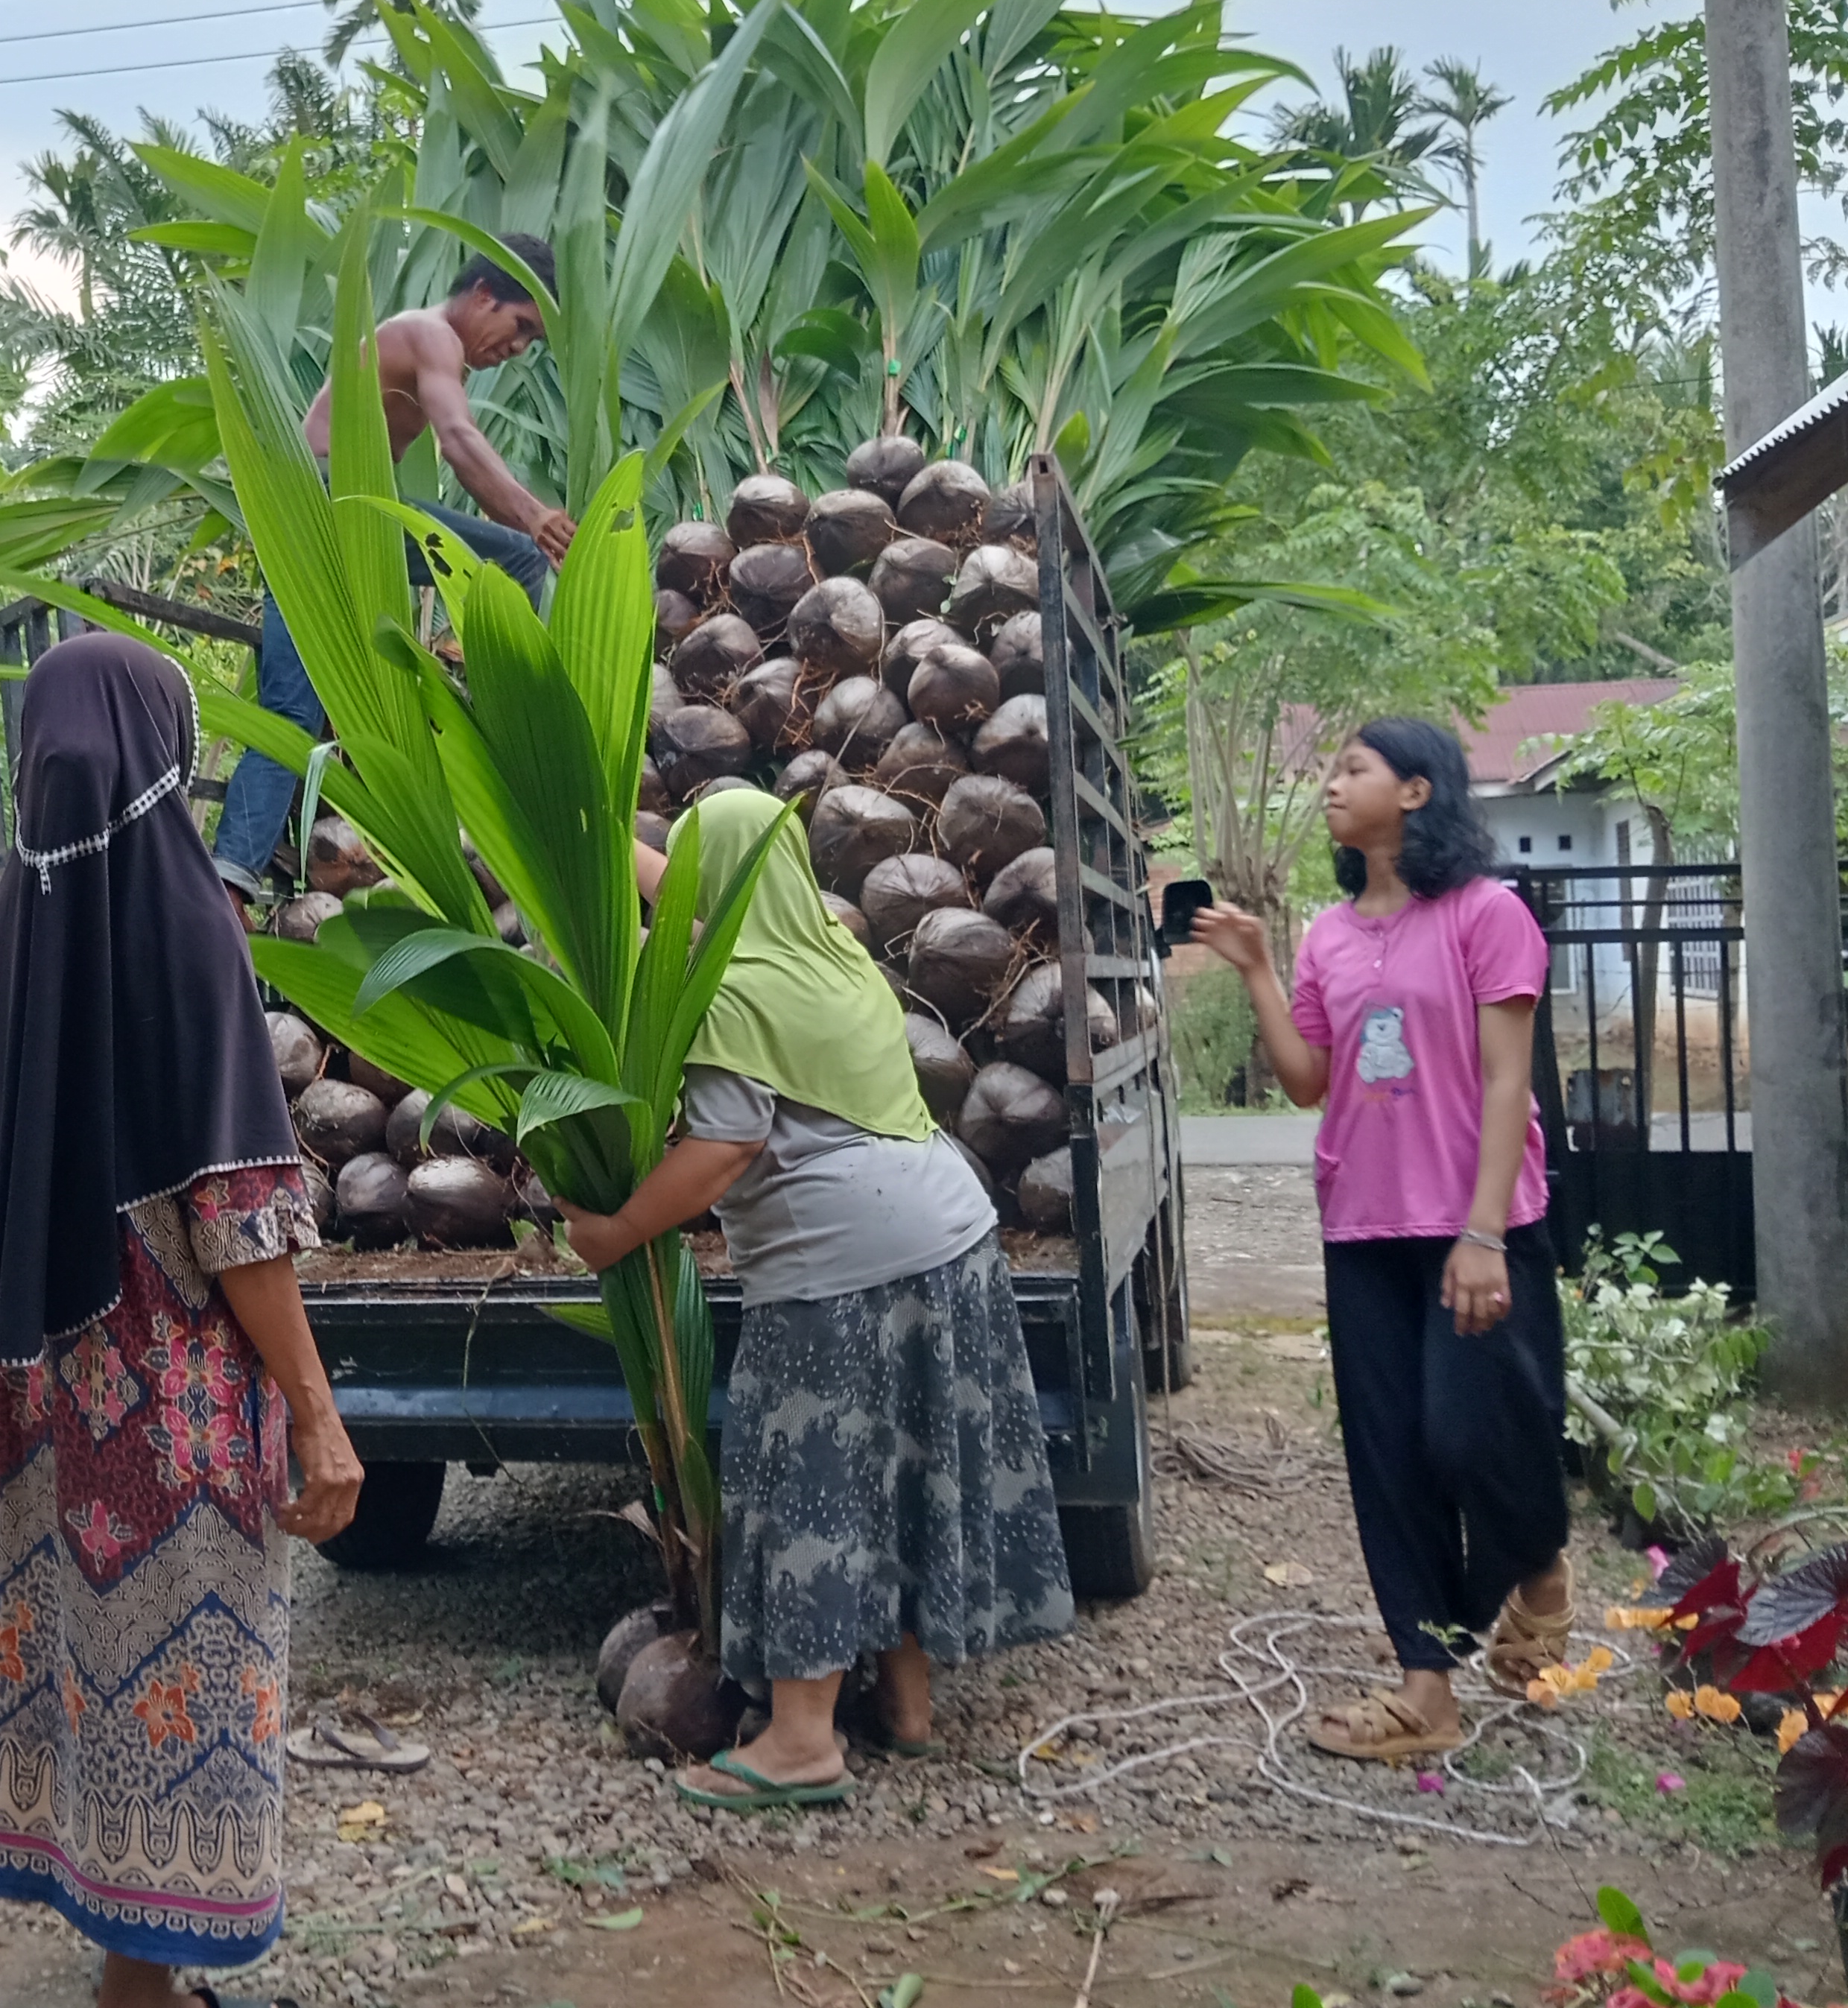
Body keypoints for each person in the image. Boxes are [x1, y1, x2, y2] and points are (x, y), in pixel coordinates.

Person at [0, 631, 365, 2008]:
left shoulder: (14, 918)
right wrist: (317, 1413)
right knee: (173, 1656)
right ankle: (141, 1983)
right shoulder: (188, 923)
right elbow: (236, 1210)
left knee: (83, 1654)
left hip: (37, 1388)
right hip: (165, 1399)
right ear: (162, 751)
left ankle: (132, 1958)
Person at [556, 791, 1074, 1809]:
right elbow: (701, 896)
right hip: (952, 1235)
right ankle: (909, 1707)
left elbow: (724, 1147)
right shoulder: (836, 955)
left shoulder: (731, 992)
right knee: (909, 1465)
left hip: (840, 1261)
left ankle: (800, 1743)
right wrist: (589, 829)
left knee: (816, 1482)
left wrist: (613, 1232)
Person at [1193, 718, 1572, 1763]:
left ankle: (1539, 1559)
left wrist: (1483, 1232)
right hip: (1362, 1224)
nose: (1330, 785)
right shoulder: (1326, 933)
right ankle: (1427, 1690)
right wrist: (1258, 970)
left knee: (1469, 1434)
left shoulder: (1487, 915)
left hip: (1478, 1226)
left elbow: (1509, 1081)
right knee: (1390, 1460)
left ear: (1415, 791)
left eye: (1351, 768)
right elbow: (1308, 1082)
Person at [212, 235, 565, 903]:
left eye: (532, 341)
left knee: (292, 711)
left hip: (298, 516)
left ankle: (227, 885)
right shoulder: (433, 336)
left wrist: (529, 519)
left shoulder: (422, 341)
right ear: (483, 295)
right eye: (521, 326)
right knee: (518, 557)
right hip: (336, 501)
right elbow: (458, 439)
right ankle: (491, 697)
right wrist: (535, 516)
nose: (518, 348)